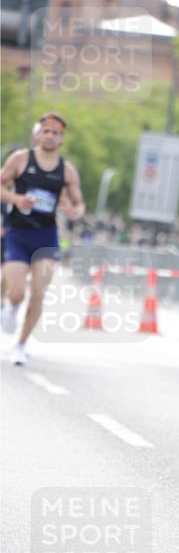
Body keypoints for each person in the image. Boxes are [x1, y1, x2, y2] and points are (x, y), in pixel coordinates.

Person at [0, 112, 85, 364]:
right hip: (18, 233)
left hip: (46, 237)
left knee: (38, 293)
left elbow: (80, 205)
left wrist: (74, 211)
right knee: (16, 292)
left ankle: (21, 345)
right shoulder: (20, 159)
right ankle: (12, 307)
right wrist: (17, 199)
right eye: (46, 131)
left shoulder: (67, 171)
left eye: (55, 133)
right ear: (38, 135)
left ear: (61, 139)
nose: (50, 136)